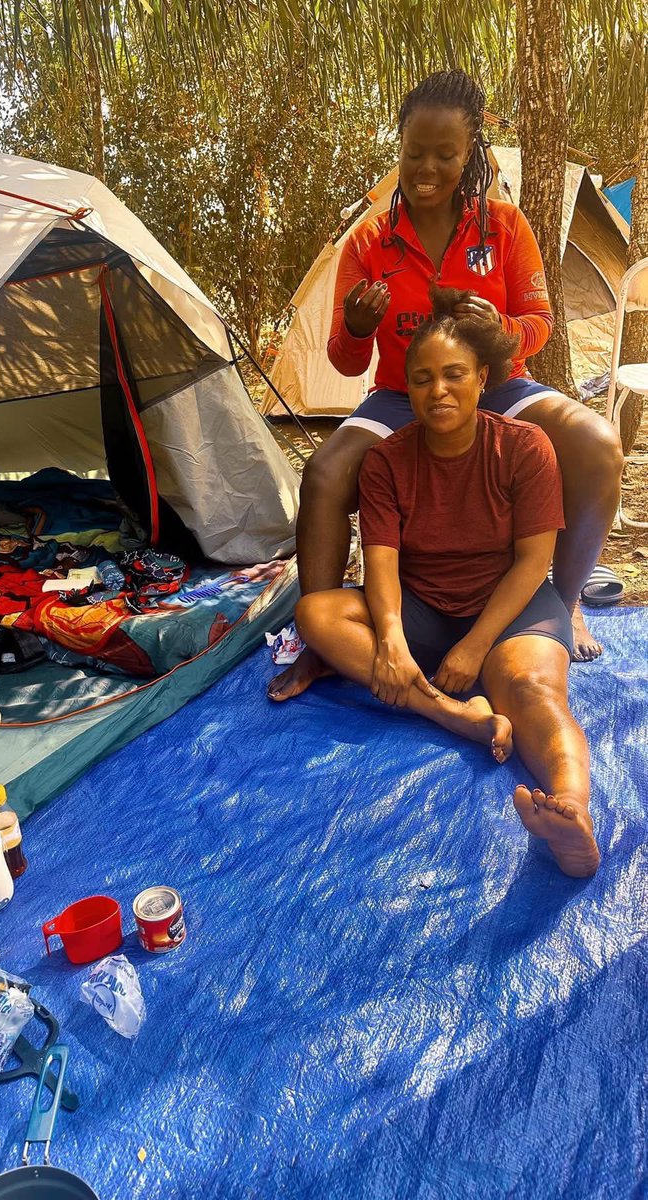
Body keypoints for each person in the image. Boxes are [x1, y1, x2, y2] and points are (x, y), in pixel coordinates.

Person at [269, 69, 622, 701]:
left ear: (472, 156)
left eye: (445, 154)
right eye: (414, 153)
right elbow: (348, 364)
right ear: (398, 151)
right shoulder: (371, 242)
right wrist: (355, 328)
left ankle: (561, 603)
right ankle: (316, 643)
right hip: (402, 395)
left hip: (498, 386)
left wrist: (502, 331)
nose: (426, 167)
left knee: (597, 444)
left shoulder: (505, 228)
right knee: (323, 474)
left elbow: (539, 322)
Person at [295, 286, 600, 878]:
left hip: (510, 605)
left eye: (454, 374)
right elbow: (380, 559)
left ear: (482, 378)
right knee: (316, 614)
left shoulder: (524, 446)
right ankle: (447, 712)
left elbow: (534, 562)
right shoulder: (387, 460)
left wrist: (475, 646)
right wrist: (389, 636)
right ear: (405, 389)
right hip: (422, 606)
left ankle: (571, 813)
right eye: (422, 378)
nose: (438, 391)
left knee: (534, 692)